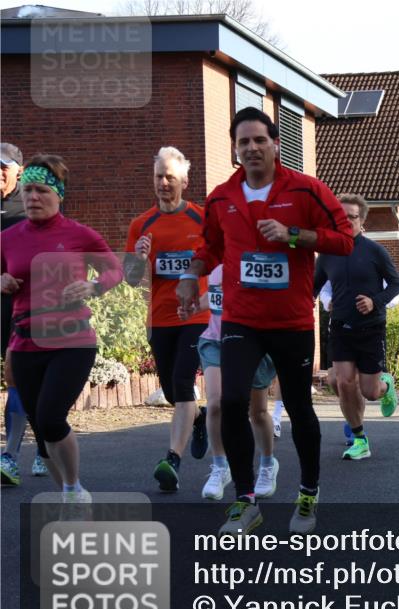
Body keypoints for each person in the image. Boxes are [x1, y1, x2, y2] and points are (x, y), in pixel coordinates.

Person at [176, 107, 354, 535]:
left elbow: (345, 240)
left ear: (275, 144)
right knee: (231, 402)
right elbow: (211, 247)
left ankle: (308, 493)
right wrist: (188, 275)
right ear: (235, 150)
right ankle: (246, 500)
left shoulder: (307, 191)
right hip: (241, 319)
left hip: (291, 320)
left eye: (260, 140)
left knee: (297, 406)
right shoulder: (221, 198)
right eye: (244, 142)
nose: (252, 148)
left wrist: (296, 236)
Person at [0, 154, 123, 503]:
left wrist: (93, 286)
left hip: (73, 341)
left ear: (58, 194)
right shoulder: (9, 238)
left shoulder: (80, 235)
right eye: (27, 191)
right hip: (25, 343)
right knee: (41, 432)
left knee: (51, 417)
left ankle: (72, 488)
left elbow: (115, 270)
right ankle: (70, 495)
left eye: (40, 190)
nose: (32, 198)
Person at [124, 147, 209, 492]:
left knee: (183, 379)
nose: (162, 183)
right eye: (158, 176)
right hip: (160, 318)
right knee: (174, 392)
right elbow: (130, 278)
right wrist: (139, 258)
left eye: (169, 177)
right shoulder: (141, 225)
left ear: (184, 181)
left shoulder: (201, 220)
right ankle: (199, 417)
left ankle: (172, 459)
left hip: (196, 316)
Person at [314, 193, 399, 461]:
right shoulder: (327, 254)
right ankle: (359, 438)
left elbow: (397, 284)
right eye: (340, 217)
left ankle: (387, 386)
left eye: (351, 217)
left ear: (361, 221)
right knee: (342, 382)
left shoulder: (375, 251)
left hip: (370, 329)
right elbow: (312, 288)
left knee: (369, 391)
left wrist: (375, 302)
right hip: (340, 327)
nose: (346, 221)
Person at [182, 264, 279, 500]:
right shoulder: (217, 266)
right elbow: (214, 297)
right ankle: (220, 467)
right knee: (215, 404)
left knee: (257, 412)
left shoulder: (256, 261)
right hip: (216, 342)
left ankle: (267, 465)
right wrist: (193, 308)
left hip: (251, 343)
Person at [0, 141, 48, 484]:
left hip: (28, 306)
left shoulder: (31, 204)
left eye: (4, 166)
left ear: (19, 169)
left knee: (21, 377)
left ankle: (30, 453)